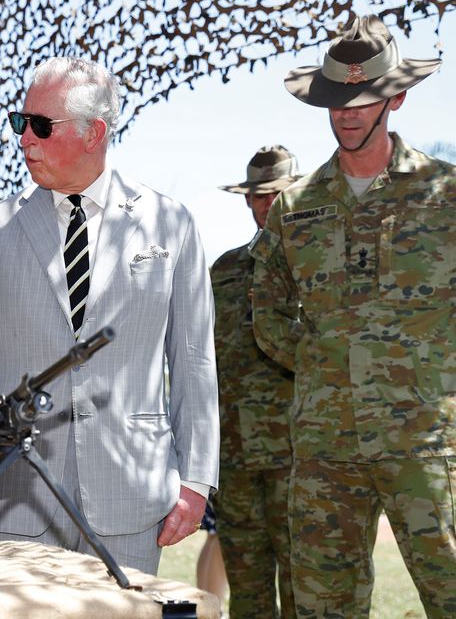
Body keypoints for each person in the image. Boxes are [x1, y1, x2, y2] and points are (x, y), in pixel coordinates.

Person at [0, 57, 219, 574]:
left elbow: (195, 362)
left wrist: (196, 480)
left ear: (95, 133)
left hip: (131, 497)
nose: (25, 139)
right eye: (19, 123)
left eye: (41, 126)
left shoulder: (171, 224)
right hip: (15, 496)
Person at [250, 15, 456, 617]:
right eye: (337, 100)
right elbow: (267, 315)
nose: (348, 113)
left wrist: (424, 374)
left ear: (396, 96)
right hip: (323, 446)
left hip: (421, 440)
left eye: (364, 99)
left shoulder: (444, 197)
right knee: (322, 607)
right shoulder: (295, 208)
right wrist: (324, 367)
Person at [212, 146, 300, 617]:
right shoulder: (223, 270)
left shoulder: (316, 266)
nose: (267, 203)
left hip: (299, 455)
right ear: (246, 201)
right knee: (247, 591)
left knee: (306, 588)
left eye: (277, 193)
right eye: (258, 195)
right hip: (235, 457)